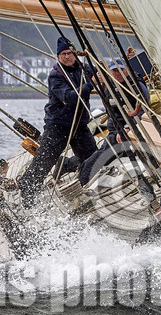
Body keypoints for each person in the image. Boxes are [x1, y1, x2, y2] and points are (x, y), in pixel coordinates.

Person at [18, 36, 102, 204]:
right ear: (58, 57)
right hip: (58, 125)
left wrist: (92, 58)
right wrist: (90, 85)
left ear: (75, 54)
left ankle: (84, 180)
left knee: (93, 157)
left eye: (69, 53)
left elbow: (101, 72)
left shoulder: (83, 69)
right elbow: (70, 97)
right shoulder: (55, 76)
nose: (66, 57)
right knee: (44, 160)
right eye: (63, 54)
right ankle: (27, 189)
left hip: (78, 125)